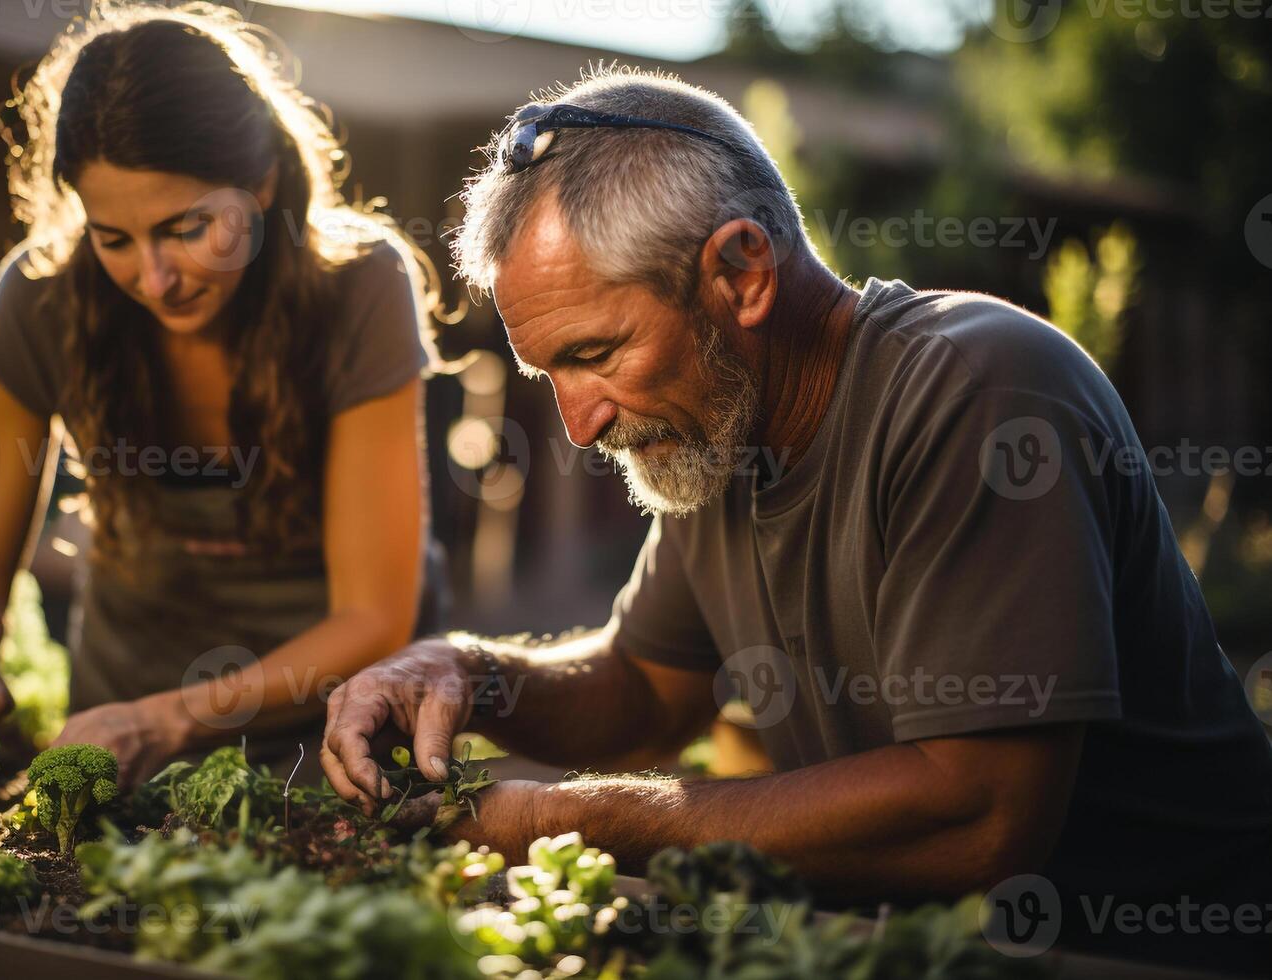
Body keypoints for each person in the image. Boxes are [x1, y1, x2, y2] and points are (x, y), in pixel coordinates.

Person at [321, 68, 1272, 970]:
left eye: (597, 352)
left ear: (739, 271)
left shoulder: (977, 391)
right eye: (549, 374)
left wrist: (561, 819)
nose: (579, 424)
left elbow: (976, 811)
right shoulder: (715, 432)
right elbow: (645, 693)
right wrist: (464, 672)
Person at [0, 2, 445, 786]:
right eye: (113, 238)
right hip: (112, 744)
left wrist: (169, 719)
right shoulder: (38, 299)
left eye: (186, 228)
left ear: (260, 184)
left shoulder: (359, 289)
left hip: (331, 749)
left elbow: (371, 618)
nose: (154, 279)